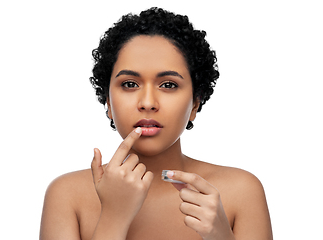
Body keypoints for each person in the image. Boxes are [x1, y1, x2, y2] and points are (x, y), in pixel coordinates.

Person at [40, 7, 272, 240]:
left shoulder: (241, 192)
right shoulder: (66, 196)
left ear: (195, 104)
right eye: (130, 84)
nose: (148, 103)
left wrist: (221, 236)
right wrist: (113, 217)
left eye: (168, 85)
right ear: (108, 102)